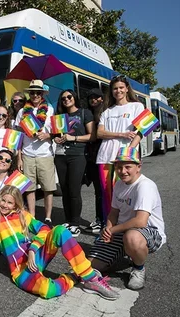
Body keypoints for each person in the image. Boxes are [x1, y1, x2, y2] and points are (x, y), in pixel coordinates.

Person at [0, 185, 120, 301]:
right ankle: (75, 277)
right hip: (21, 271)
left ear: (16, 204)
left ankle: (90, 277)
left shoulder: (23, 215)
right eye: (3, 200)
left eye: (10, 203)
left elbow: (44, 228)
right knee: (48, 291)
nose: (5, 205)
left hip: (36, 256)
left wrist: (33, 249)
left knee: (60, 231)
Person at [88, 146, 165, 290]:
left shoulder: (145, 186)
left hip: (148, 231)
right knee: (90, 265)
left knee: (132, 238)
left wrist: (113, 230)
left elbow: (140, 221)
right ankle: (120, 255)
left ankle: (138, 268)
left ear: (138, 166)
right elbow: (113, 212)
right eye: (118, 167)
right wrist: (108, 229)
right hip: (122, 229)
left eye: (128, 167)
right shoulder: (118, 184)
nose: (123, 171)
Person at [96, 75, 144, 223]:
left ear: (127, 89)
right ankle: (108, 227)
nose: (118, 91)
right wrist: (121, 134)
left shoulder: (137, 106)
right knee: (107, 194)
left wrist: (129, 150)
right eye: (115, 88)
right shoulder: (107, 111)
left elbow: (142, 130)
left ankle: (123, 226)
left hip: (125, 157)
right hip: (105, 157)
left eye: (121, 88)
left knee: (125, 194)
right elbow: (99, 133)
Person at [53, 89, 94, 237]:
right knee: (64, 189)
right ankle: (68, 220)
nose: (66, 100)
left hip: (77, 155)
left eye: (69, 97)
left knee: (74, 190)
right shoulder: (59, 117)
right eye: (63, 98)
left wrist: (74, 139)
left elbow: (92, 136)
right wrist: (55, 138)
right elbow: (56, 136)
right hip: (60, 155)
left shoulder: (84, 113)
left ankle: (75, 223)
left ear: (74, 98)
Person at [15, 80, 55, 222]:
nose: (35, 95)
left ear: (42, 93)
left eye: (38, 92)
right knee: (30, 187)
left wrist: (47, 135)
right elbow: (18, 136)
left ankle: (48, 217)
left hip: (45, 154)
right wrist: (19, 158)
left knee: (48, 187)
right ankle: (31, 216)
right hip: (27, 154)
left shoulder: (50, 109)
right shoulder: (22, 111)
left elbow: (56, 132)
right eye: (32, 92)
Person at [84, 88, 105, 234]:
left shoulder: (105, 113)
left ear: (102, 99)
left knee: (102, 191)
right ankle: (99, 219)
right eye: (91, 98)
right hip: (90, 157)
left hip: (103, 155)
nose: (94, 100)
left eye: (96, 97)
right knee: (98, 191)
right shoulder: (87, 113)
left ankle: (103, 220)